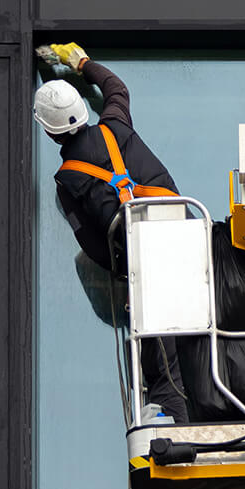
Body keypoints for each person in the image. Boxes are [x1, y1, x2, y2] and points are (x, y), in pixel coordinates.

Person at [32, 42, 194, 424]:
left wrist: (118, 271)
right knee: (198, 329)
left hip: (146, 262)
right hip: (185, 233)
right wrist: (82, 63)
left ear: (50, 134)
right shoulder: (115, 126)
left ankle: (174, 420)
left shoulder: (67, 181)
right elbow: (116, 88)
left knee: (160, 353)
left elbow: (94, 246)